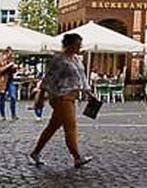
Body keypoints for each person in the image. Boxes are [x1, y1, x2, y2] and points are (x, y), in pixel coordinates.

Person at [28, 33, 96, 167]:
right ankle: (77, 157)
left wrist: (88, 92)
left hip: (71, 97)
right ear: (69, 45)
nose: (80, 47)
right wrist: (41, 96)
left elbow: (81, 77)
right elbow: (48, 79)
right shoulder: (58, 60)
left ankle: (35, 152)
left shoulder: (76, 59)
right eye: (77, 44)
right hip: (61, 96)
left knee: (53, 126)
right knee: (70, 126)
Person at [0, 48, 19, 121]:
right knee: (2, 98)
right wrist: (8, 66)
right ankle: (2, 115)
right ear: (5, 54)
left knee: (13, 97)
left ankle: (13, 114)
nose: (10, 56)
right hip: (2, 81)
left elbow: (13, 71)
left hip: (10, 80)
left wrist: (15, 68)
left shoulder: (10, 61)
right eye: (9, 54)